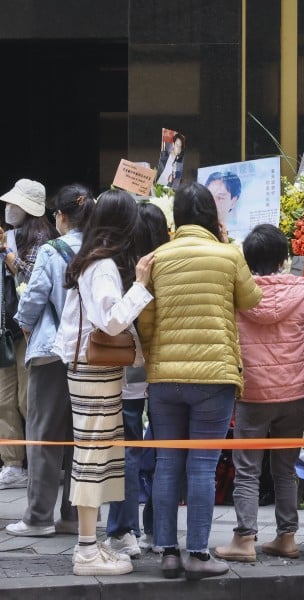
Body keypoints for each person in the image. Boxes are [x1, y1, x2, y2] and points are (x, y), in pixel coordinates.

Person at [137, 182, 262, 580]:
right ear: (212, 215)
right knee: (203, 467)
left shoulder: (157, 258)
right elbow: (251, 299)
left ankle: (168, 554)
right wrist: (226, 245)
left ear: (177, 216)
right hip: (214, 376)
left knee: (167, 464)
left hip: (165, 377)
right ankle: (198, 555)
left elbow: (146, 321)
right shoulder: (228, 255)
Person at [53, 189, 155, 576]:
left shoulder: (95, 261)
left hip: (91, 371)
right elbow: (110, 321)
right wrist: (141, 286)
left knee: (97, 456)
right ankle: (85, 550)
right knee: (93, 458)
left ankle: (91, 544)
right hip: (92, 372)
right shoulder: (103, 266)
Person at [215, 224, 304, 562]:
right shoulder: (301, 290)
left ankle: (245, 539)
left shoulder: (239, 293)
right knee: (285, 468)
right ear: (283, 259)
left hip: (253, 394)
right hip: (294, 394)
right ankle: (287, 537)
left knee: (248, 469)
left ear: (247, 259)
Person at [6, 185, 93, 537]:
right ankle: (73, 515)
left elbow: (32, 301)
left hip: (51, 355)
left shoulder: (51, 250)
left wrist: (25, 327)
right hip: (88, 355)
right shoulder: (99, 249)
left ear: (60, 215)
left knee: (43, 434)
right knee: (78, 436)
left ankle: (38, 517)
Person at [104, 202, 171, 559]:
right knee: (166, 451)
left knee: (126, 450)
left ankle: (124, 532)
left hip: (128, 371)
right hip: (167, 369)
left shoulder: (120, 265)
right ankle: (160, 532)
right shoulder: (171, 265)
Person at [0, 178, 56, 489]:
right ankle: (12, 463)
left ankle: (39, 462)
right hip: (5, 328)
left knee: (28, 399)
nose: (8, 208)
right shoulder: (6, 236)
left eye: (14, 204)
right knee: (4, 399)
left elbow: (35, 281)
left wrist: (9, 257)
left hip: (30, 329)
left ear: (28, 210)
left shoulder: (44, 241)